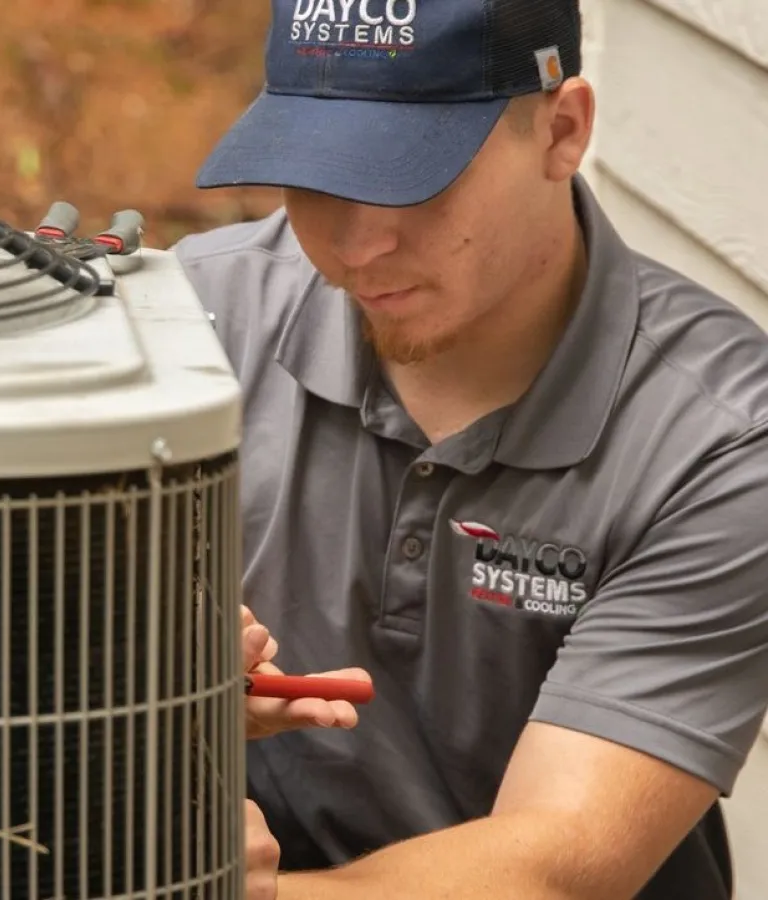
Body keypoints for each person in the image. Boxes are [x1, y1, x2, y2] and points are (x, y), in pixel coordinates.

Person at [171, 0, 768, 897]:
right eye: (318, 179)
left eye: (414, 179)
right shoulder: (192, 327)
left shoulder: (718, 442)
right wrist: (159, 693)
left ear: (562, 132)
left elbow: (556, 865)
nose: (360, 246)